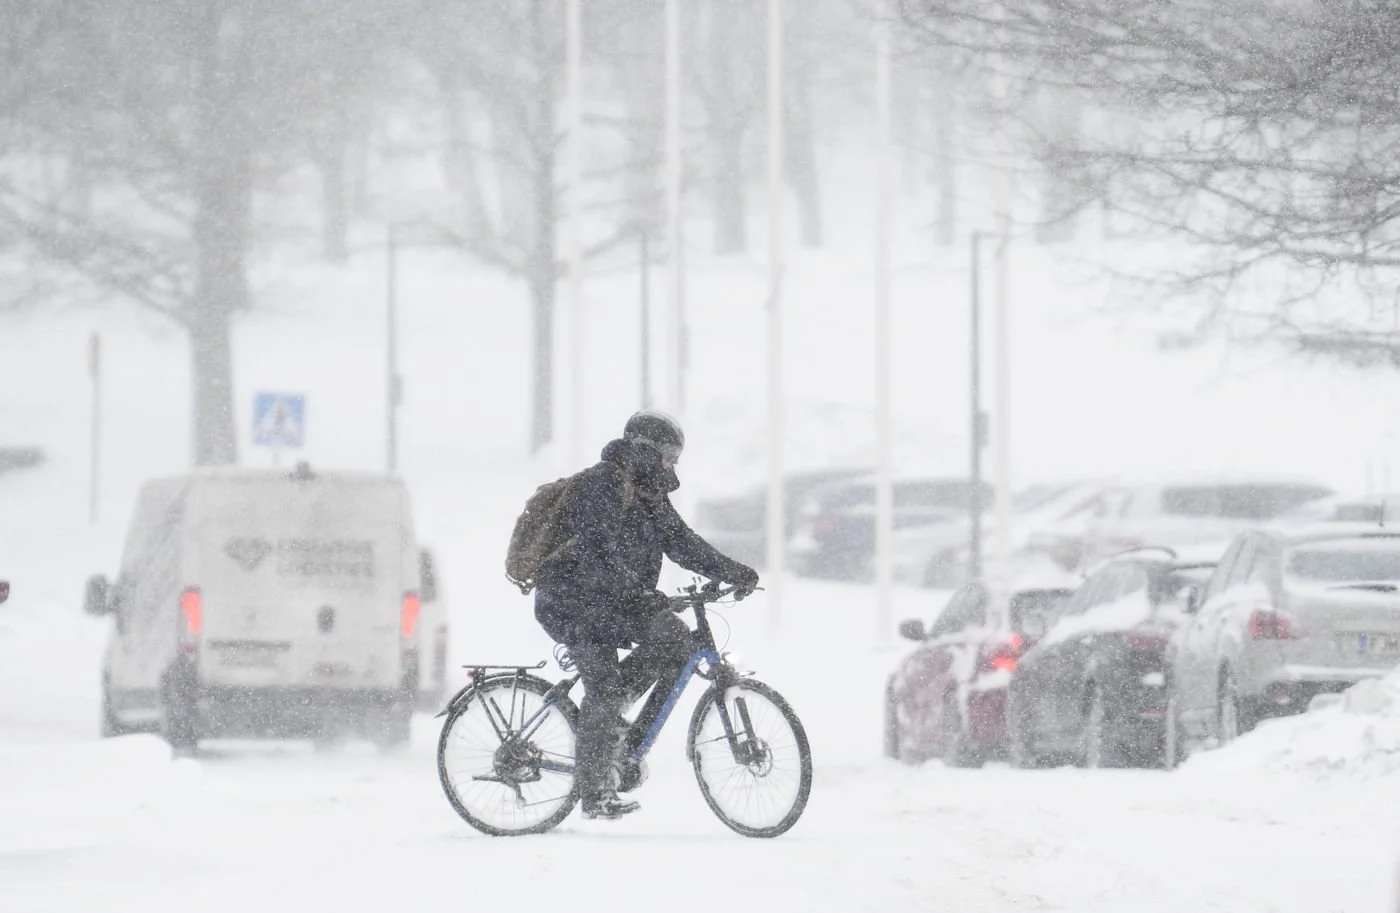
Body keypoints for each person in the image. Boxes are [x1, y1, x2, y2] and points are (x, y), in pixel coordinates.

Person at [532, 410, 760, 819]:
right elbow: (595, 552)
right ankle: (595, 789)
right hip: (571, 602)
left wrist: (733, 571)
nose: (672, 463)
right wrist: (640, 593)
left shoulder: (650, 493)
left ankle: (617, 743)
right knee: (603, 687)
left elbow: (682, 543)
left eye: (676, 456)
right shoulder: (600, 485)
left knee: (676, 641)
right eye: (668, 454)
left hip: (615, 600)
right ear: (644, 450)